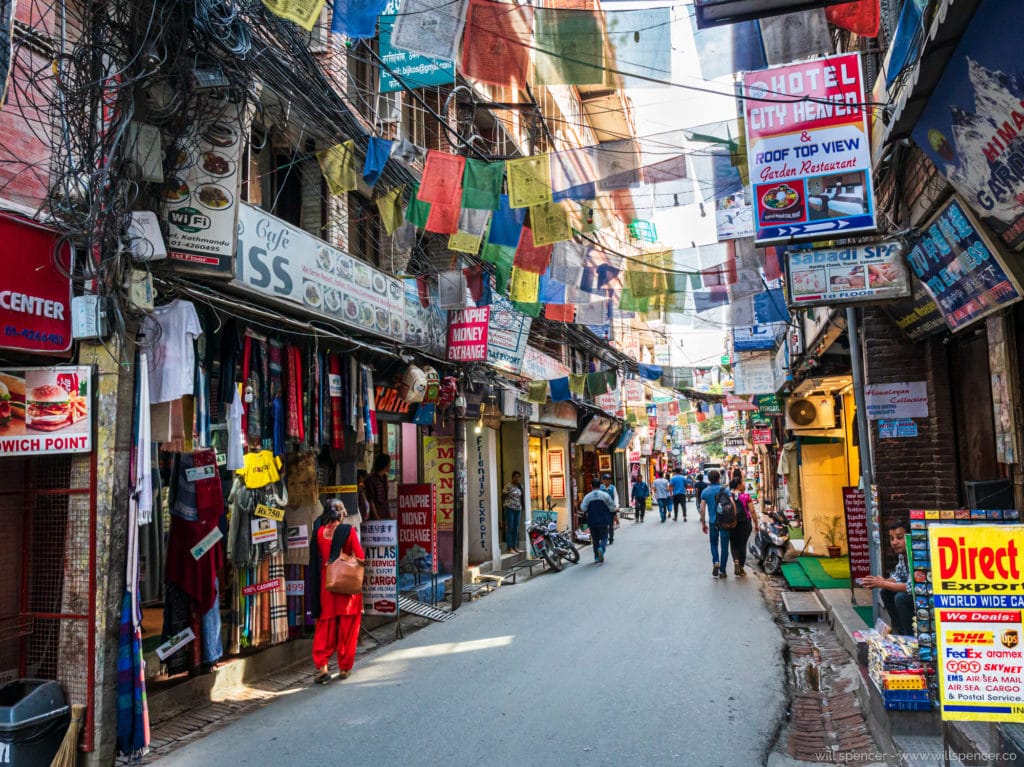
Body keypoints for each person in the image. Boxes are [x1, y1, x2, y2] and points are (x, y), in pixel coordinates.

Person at [308, 500, 365, 683]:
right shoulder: (348, 531)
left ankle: (323, 668)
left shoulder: (319, 533)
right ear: (341, 514)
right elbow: (361, 556)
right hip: (347, 587)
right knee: (348, 628)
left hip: (328, 585)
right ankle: (344, 668)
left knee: (325, 626)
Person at [860, 522, 914, 636]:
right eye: (892, 538)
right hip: (912, 592)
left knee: (901, 598)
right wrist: (881, 582)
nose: (895, 542)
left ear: (909, 537)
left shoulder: (915, 556)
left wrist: (882, 583)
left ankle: (910, 636)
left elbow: (910, 587)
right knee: (886, 592)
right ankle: (901, 632)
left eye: (899, 538)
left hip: (926, 595)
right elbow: (898, 576)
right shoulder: (902, 556)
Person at [699, 470, 731, 578]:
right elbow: (732, 506)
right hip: (725, 522)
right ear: (719, 478)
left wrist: (703, 523)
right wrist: (733, 519)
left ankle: (716, 561)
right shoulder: (725, 490)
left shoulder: (705, 492)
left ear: (709, 479)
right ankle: (723, 570)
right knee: (725, 545)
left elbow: (702, 510)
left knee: (713, 543)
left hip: (713, 522)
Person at [581, 477, 614, 564]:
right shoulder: (605, 495)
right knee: (604, 537)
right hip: (603, 520)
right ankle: (601, 549)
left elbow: (583, 508)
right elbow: (612, 506)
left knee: (595, 539)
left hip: (592, 521)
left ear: (591, 486)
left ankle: (596, 557)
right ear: (600, 485)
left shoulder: (587, 497)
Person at [728, 477, 755, 576]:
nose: (744, 485)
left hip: (731, 523)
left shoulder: (728, 496)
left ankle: (736, 561)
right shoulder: (745, 496)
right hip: (745, 522)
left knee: (734, 544)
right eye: (742, 483)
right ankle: (741, 568)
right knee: (742, 545)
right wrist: (756, 524)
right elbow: (752, 511)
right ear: (738, 485)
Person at [502, 471, 525, 553]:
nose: (517, 478)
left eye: (518, 476)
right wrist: (504, 505)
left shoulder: (520, 486)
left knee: (516, 528)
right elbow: (503, 496)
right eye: (515, 476)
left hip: (518, 509)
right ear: (512, 477)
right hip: (509, 508)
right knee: (510, 527)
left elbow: (522, 497)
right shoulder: (508, 485)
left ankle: (515, 546)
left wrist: (522, 506)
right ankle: (510, 547)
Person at [367, 453, 391, 519]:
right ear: (385, 465)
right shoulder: (371, 479)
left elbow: (386, 499)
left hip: (385, 514)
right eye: (389, 463)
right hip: (376, 516)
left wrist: (389, 515)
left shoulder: (385, 478)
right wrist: (377, 517)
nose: (390, 465)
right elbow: (371, 501)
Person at [601, 475, 619, 544]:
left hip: (611, 509)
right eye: (605, 480)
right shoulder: (601, 488)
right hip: (603, 509)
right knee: (603, 524)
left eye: (608, 480)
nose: (606, 481)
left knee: (610, 524)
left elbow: (616, 497)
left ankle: (611, 537)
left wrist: (616, 506)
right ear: (603, 481)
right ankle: (604, 537)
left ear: (610, 481)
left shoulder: (612, 488)